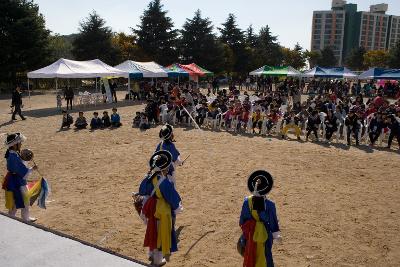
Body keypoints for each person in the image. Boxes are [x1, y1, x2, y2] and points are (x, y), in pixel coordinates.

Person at [138, 151, 182, 266]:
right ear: (164, 169)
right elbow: (173, 198)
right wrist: (178, 208)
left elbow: (141, 191)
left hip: (149, 210)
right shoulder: (165, 182)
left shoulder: (148, 178)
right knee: (160, 236)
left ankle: (151, 254)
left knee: (151, 231)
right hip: (160, 212)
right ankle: (157, 261)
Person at [238, 170, 281, 267]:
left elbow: (242, 220)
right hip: (265, 236)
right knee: (266, 257)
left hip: (250, 235)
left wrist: (247, 232)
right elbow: (273, 222)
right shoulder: (270, 205)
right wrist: (276, 235)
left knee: (251, 256)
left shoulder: (246, 202)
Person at [2, 133, 37, 222]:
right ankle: (23, 218)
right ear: (14, 145)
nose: (21, 144)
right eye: (19, 143)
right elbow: (21, 171)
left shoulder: (13, 153)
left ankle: (14, 218)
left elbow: (20, 166)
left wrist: (24, 159)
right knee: (24, 199)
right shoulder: (13, 157)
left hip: (14, 180)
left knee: (17, 200)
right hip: (17, 181)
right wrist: (32, 169)